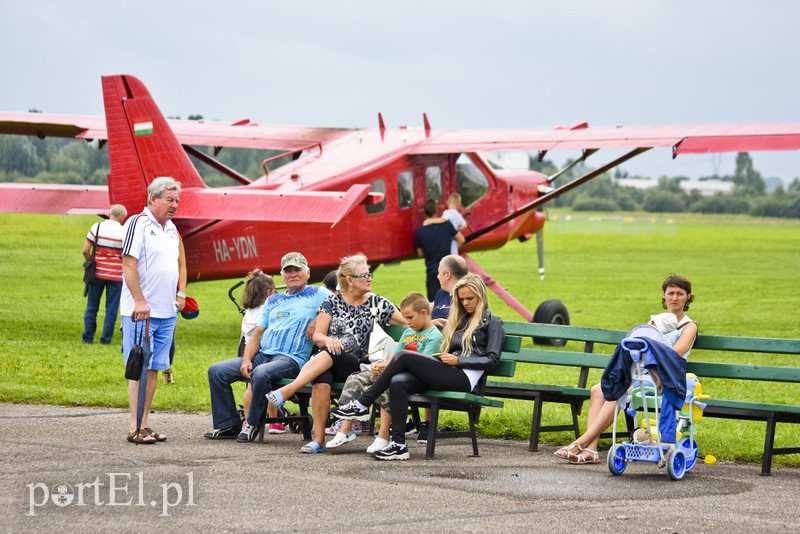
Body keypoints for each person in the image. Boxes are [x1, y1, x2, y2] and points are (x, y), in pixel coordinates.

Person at [332, 273, 504, 461]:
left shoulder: (493, 322)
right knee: (398, 382)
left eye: (470, 298)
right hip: (447, 371)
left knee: (404, 356)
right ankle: (398, 445)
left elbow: (492, 359)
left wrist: (460, 361)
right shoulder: (460, 321)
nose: (465, 303)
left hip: (464, 378)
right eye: (461, 299)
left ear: (481, 296)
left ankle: (362, 402)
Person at [267, 253, 405, 454]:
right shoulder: (333, 302)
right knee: (323, 375)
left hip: (359, 365)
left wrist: (432, 319)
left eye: (369, 275)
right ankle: (319, 439)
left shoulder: (377, 303)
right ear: (349, 280)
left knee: (331, 353)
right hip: (331, 359)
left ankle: (289, 389)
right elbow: (319, 336)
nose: (369, 279)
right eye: (364, 275)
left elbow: (408, 322)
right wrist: (328, 340)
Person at [554, 273, 698, 464]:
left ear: (688, 297)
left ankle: (581, 442)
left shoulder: (689, 326)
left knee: (619, 392)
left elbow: (675, 352)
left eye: (680, 294)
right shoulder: (655, 323)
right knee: (598, 390)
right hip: (640, 373)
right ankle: (591, 449)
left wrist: (650, 346)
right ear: (663, 295)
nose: (674, 298)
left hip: (664, 377)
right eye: (670, 293)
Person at [205, 252, 331, 441]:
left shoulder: (318, 294)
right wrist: (247, 359)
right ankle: (228, 425)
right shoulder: (273, 300)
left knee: (261, 372)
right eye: (288, 271)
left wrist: (318, 318)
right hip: (263, 355)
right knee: (217, 371)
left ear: (308, 272)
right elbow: (258, 333)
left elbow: (343, 302)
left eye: (297, 270)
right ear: (282, 274)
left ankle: (253, 423)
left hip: (291, 359)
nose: (293, 274)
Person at [327, 292, 443, 453]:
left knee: (389, 384)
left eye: (410, 317)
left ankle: (383, 436)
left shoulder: (434, 336)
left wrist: (388, 369)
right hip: (394, 371)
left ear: (424, 313)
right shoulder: (408, 333)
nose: (407, 322)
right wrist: (382, 365)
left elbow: (423, 364)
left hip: (413, 378)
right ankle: (345, 429)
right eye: (405, 318)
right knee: (355, 378)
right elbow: (396, 356)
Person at [121, 177, 187, 445]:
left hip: (166, 312)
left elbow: (181, 263)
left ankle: (145, 423)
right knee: (139, 365)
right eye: (169, 200)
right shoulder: (138, 223)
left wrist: (181, 294)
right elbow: (128, 264)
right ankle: (134, 426)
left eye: (177, 201)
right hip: (141, 312)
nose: (174, 205)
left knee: (155, 369)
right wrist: (139, 301)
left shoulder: (172, 230)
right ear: (153, 199)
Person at [236, 270, 284, 434]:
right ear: (269, 292)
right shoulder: (268, 309)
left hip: (248, 351)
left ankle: (248, 421)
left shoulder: (250, 311)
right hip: (263, 351)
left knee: (250, 387)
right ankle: (275, 421)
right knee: (268, 386)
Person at [82, 204, 127, 345]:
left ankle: (88, 338)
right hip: (116, 276)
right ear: (121, 217)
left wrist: (91, 260)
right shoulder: (124, 231)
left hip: (97, 275)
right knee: (111, 309)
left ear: (110, 214)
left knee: (92, 307)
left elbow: (85, 250)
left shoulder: (97, 227)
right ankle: (105, 340)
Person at [415, 199, 465, 301]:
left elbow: (420, 253)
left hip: (432, 271)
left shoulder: (420, 232)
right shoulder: (446, 225)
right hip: (447, 270)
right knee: (451, 302)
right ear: (437, 210)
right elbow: (461, 239)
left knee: (434, 303)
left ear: (425, 212)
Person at [430, 254, 469, 328]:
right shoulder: (441, 293)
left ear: (447, 275)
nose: (438, 276)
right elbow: (426, 307)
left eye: (439, 272)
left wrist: (429, 325)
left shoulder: (466, 297)